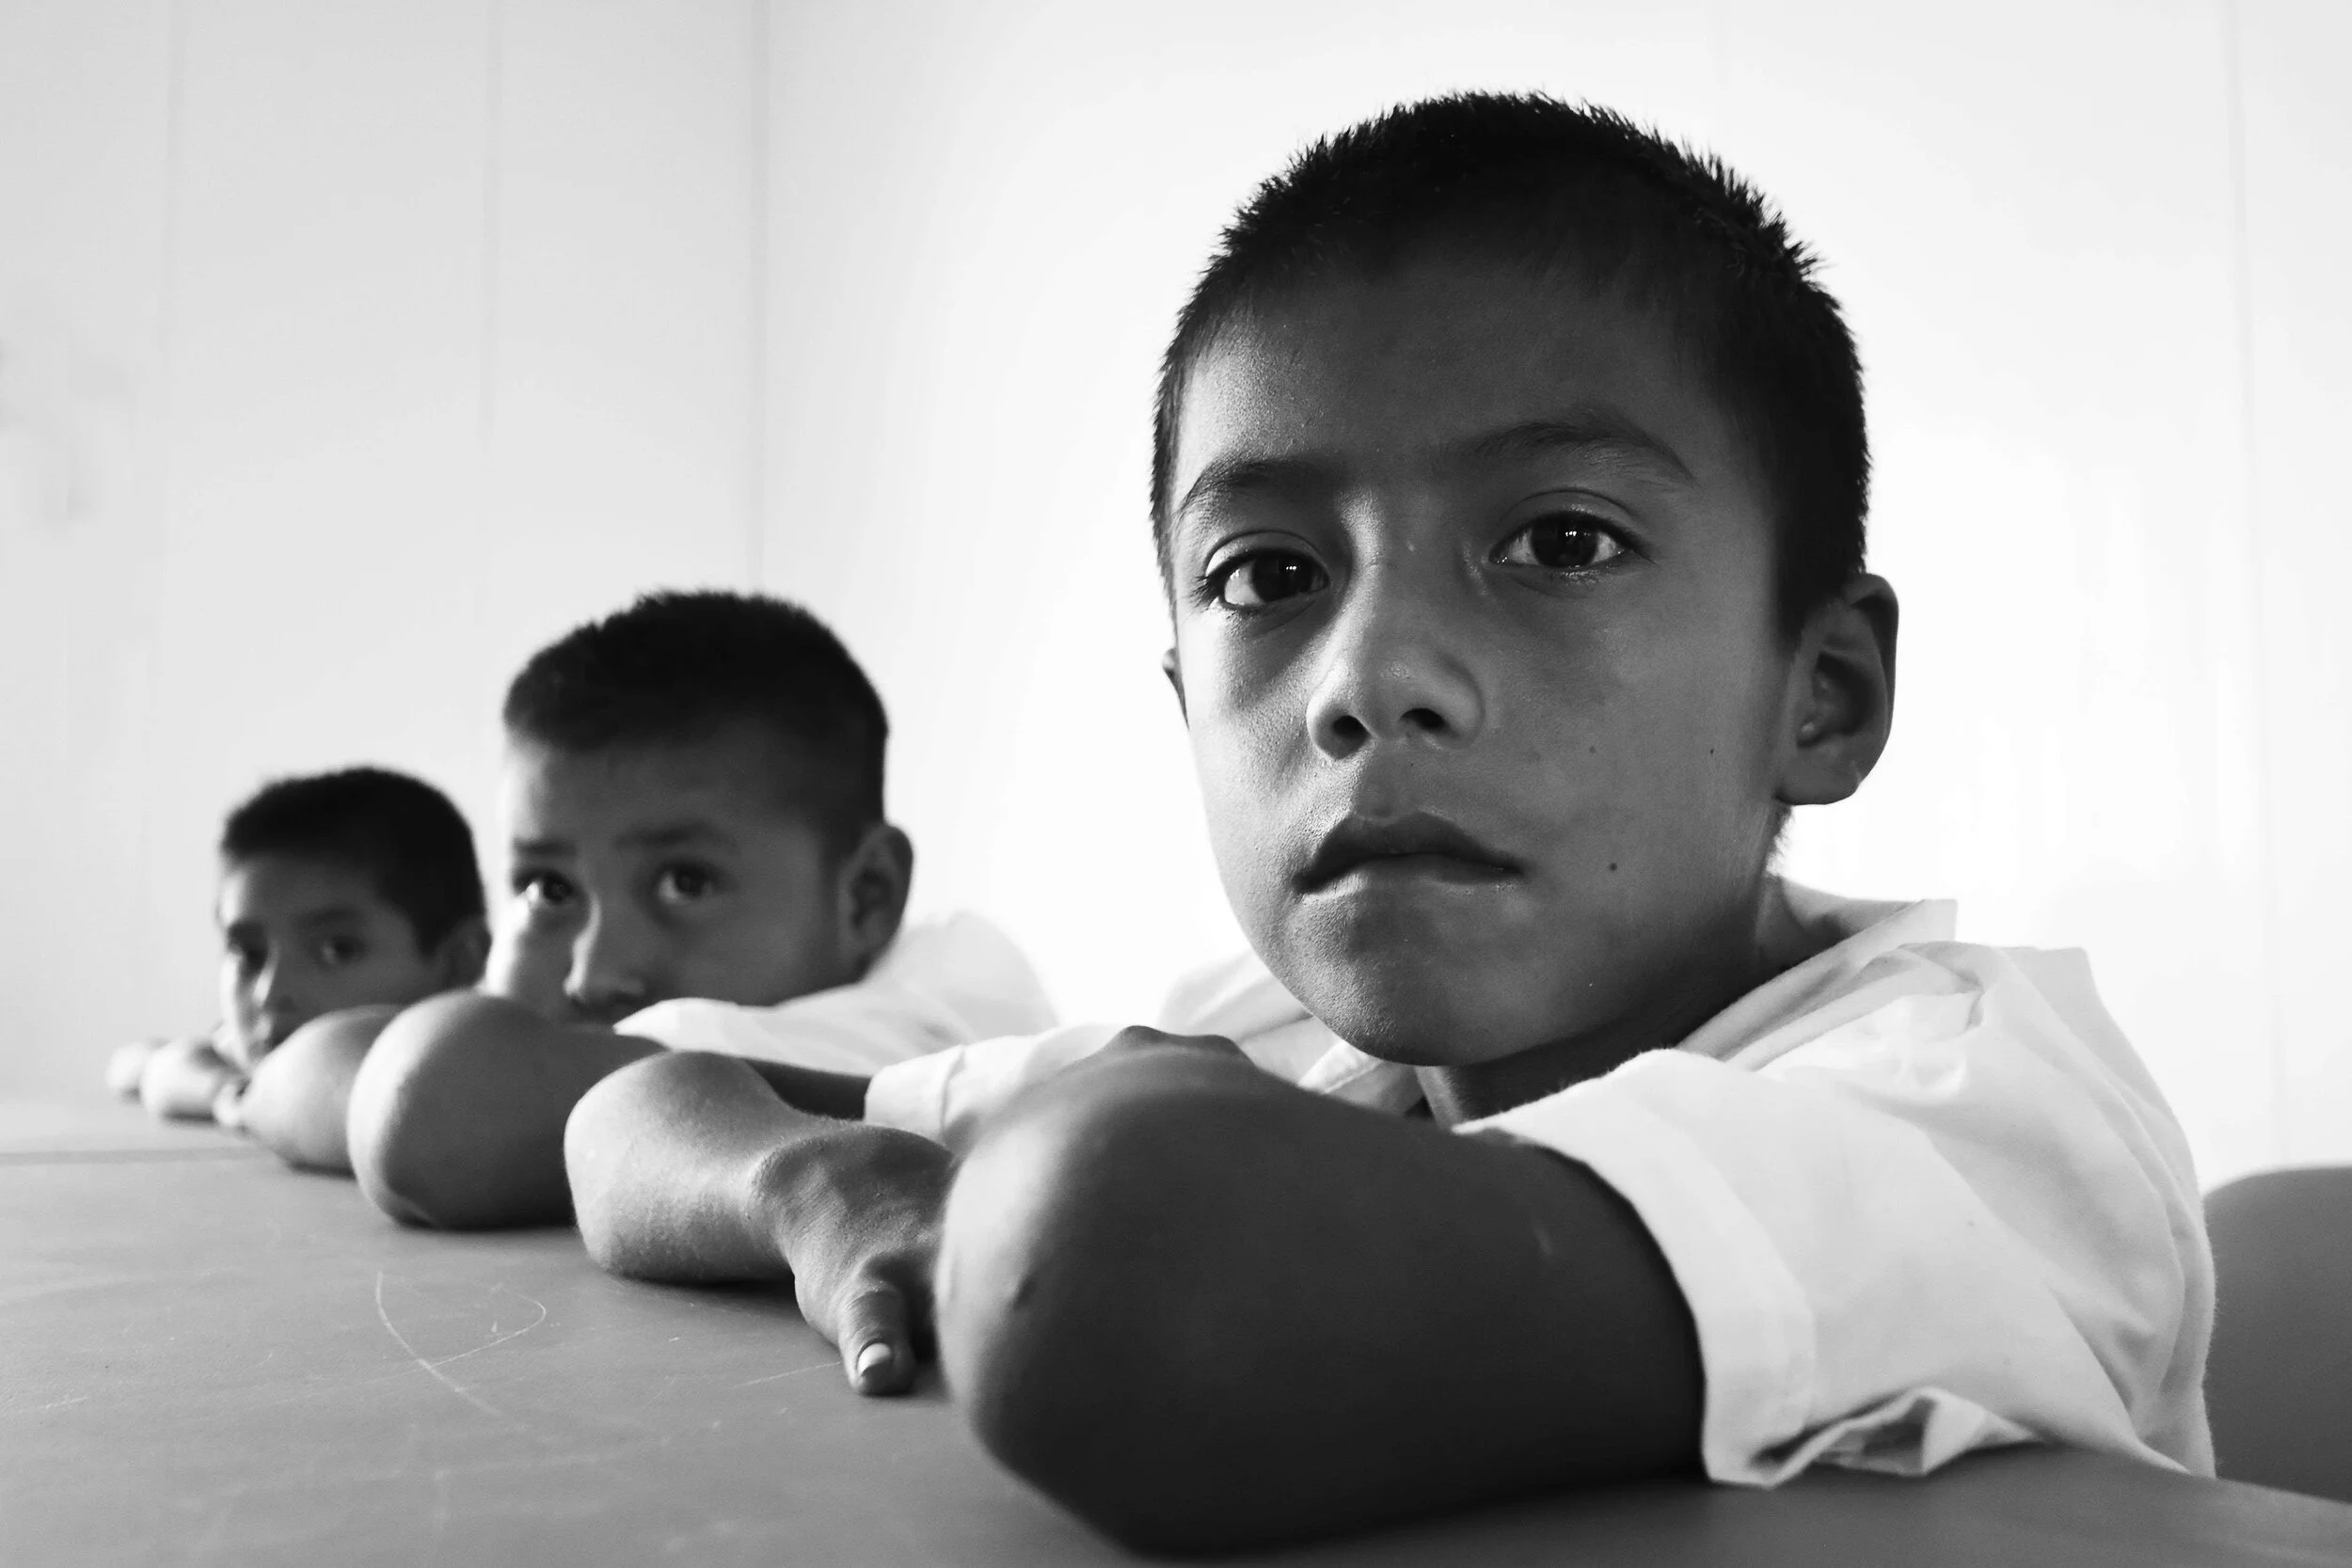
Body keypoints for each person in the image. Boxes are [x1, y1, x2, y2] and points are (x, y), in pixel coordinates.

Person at [561, 94, 2214, 1552]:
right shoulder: (1277, 1040)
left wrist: (1039, 1162)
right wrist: (813, 1184)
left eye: (1560, 542)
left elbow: (1130, 1278)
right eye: (1267, 575)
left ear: (1825, 696)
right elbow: (554, 1098)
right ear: (1182, 701)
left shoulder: (1977, 1118)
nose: (1367, 680)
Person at [322, 590, 1054, 1226]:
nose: (595, 973)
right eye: (549, 889)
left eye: (685, 882)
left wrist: (266, 1086)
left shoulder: (951, 1012)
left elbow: (438, 1102)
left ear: (866, 895)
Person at [110, 768, 489, 1125]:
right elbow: (136, 1065)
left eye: (337, 950)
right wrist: (237, 1096)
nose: (270, 993)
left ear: (459, 962)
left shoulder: (497, 1072)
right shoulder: (242, 1062)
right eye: (248, 955)